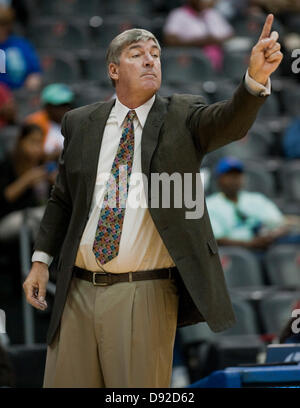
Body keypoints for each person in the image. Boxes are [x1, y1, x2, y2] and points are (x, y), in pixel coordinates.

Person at [23, 15, 283, 388]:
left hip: (143, 290)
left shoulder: (182, 114)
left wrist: (254, 80)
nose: (150, 60)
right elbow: (62, 199)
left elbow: (229, 121)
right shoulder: (80, 123)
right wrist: (40, 261)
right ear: (113, 69)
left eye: (155, 54)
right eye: (137, 54)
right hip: (75, 290)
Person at [206, 157, 289, 250]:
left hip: (265, 247)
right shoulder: (210, 205)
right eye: (229, 175)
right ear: (219, 179)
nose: (234, 179)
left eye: (237, 175)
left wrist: (271, 236)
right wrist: (249, 243)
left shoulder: (257, 199)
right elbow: (216, 239)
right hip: (234, 251)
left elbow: (281, 224)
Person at [0, 123, 56, 241]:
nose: (37, 147)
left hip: (36, 215)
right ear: (21, 142)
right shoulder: (9, 164)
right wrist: (27, 179)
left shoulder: (43, 164)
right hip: (9, 219)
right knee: (42, 217)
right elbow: (6, 197)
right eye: (32, 142)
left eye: (40, 142)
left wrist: (54, 181)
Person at [163, 0, 234, 71]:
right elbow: (170, 40)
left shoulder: (213, 13)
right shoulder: (178, 14)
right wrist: (200, 42)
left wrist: (215, 41)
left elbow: (230, 34)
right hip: (189, 60)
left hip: (219, 57)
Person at [26, 83, 74, 162]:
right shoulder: (34, 122)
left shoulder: (73, 122)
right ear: (47, 106)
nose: (64, 109)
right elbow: (30, 155)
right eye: (59, 105)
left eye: (66, 104)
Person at [0, 5, 42, 90]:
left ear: (7, 26)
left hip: (19, 94)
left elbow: (35, 72)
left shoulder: (21, 44)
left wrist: (34, 79)